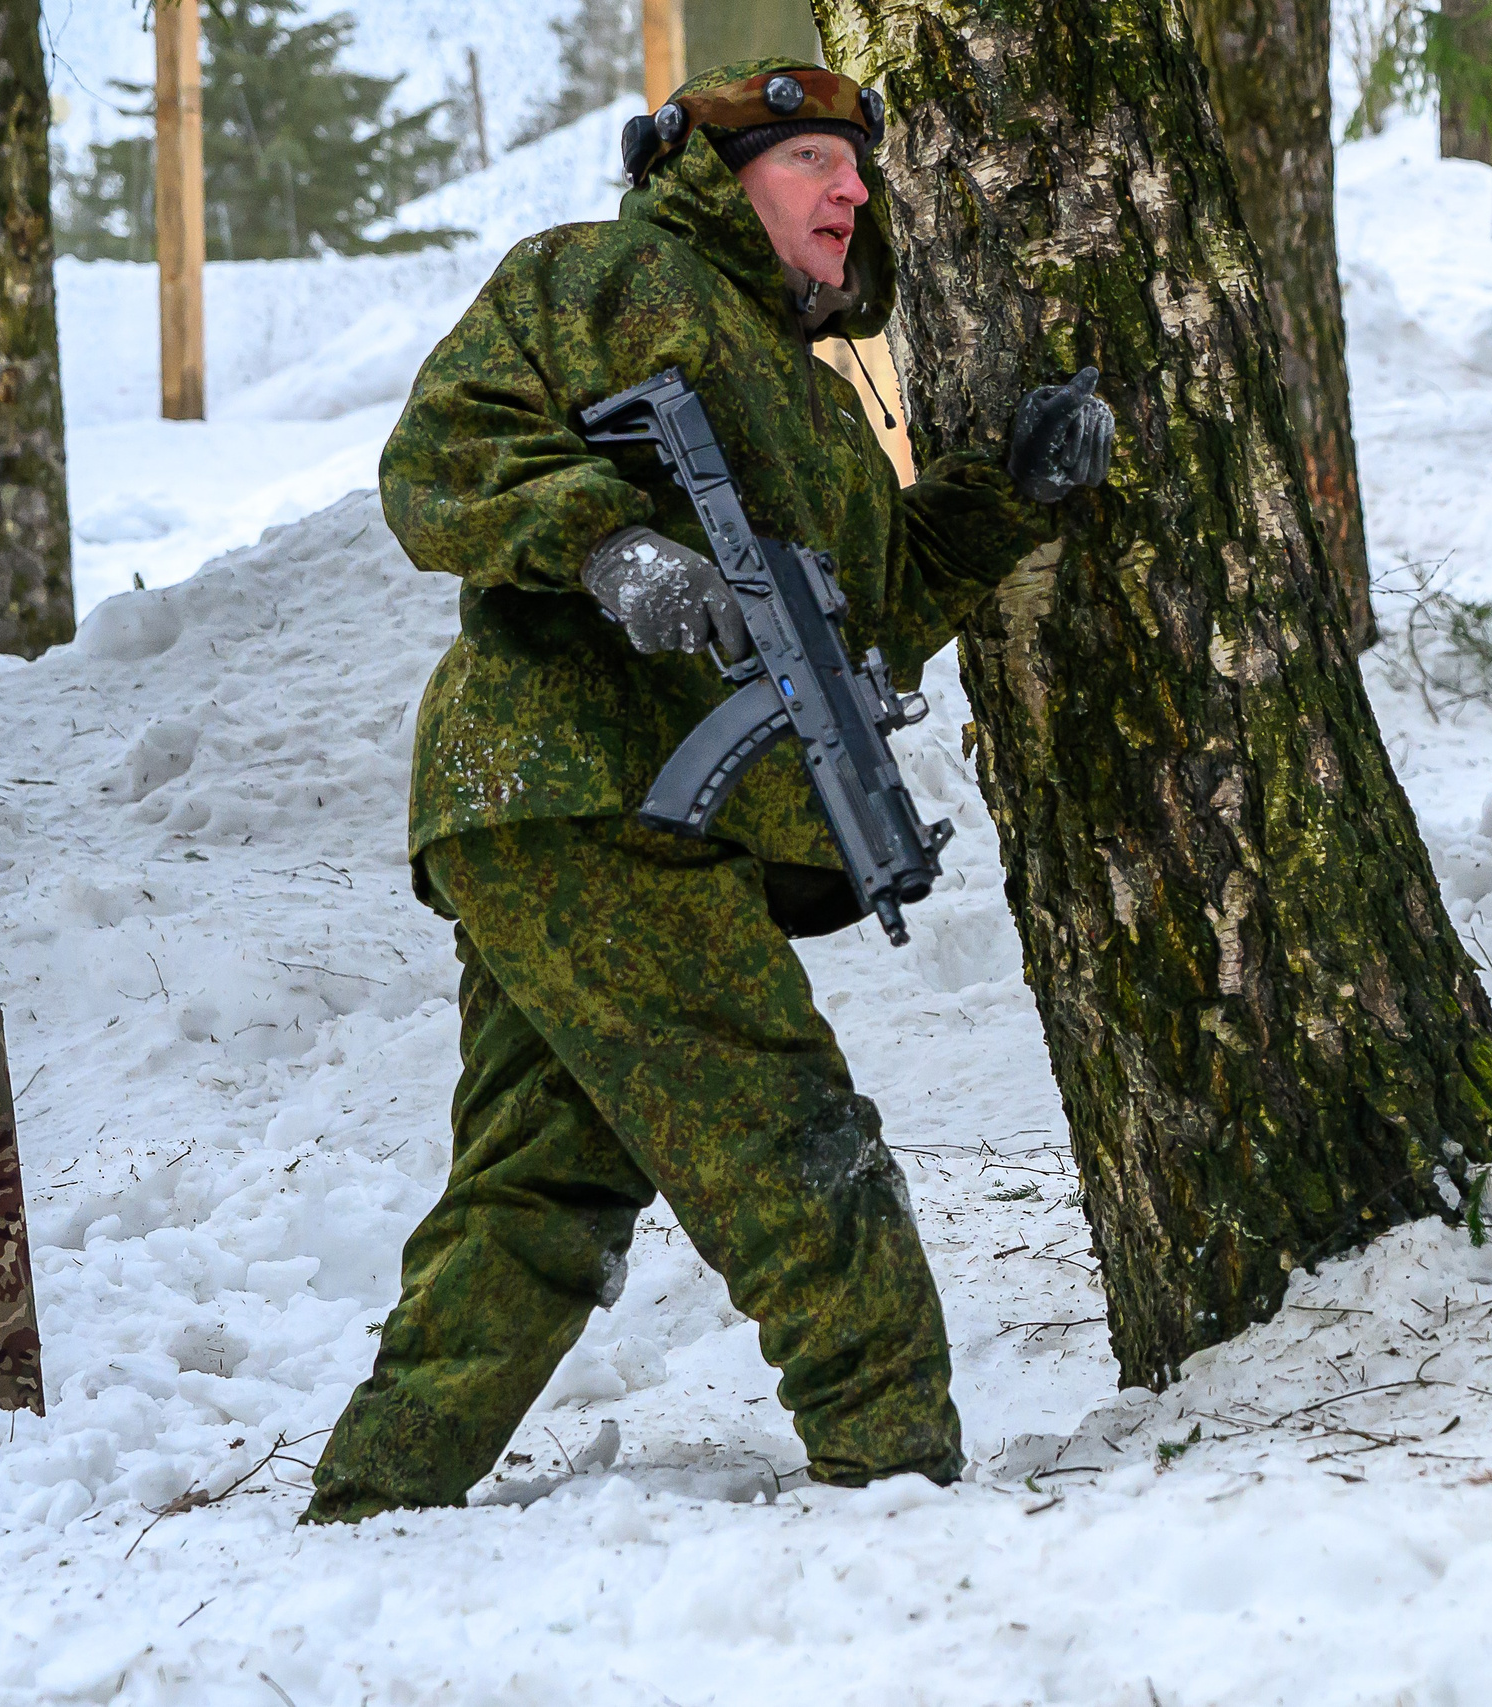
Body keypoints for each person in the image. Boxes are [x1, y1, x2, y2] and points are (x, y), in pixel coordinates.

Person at [303, 58, 1112, 1523]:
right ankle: (902, 1481)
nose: (851, 189)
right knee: (790, 1136)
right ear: (715, 174)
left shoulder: (812, 401)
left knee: (543, 1177)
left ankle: (376, 1492)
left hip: (594, 811)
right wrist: (616, 549)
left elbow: (860, 615)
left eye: (857, 168)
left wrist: (1011, 491)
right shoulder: (608, 272)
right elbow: (443, 453)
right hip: (581, 778)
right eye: (812, 158)